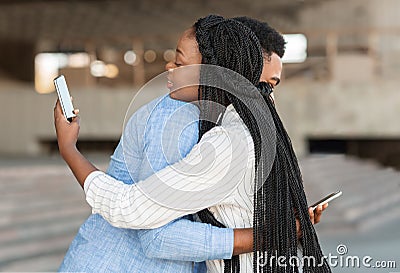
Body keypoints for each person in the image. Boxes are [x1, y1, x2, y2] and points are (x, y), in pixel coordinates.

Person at [55, 15, 330, 272]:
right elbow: (156, 235)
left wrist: (283, 223)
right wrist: (271, 234)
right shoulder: (179, 116)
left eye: (270, 85)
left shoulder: (230, 131)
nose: (168, 68)